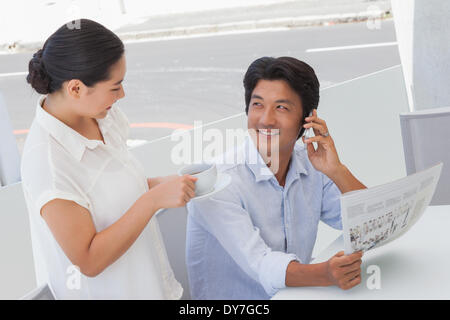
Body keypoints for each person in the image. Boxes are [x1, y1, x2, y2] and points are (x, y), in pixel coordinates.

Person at [20, 19, 197, 299]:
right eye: (115, 87)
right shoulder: (48, 161)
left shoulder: (101, 115)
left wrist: (160, 186)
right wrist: (152, 201)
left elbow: (106, 192)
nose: (122, 95)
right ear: (76, 88)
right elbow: (89, 259)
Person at [186, 56, 366, 299]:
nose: (265, 119)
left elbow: (365, 222)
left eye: (281, 107)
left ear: (306, 119)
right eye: (257, 105)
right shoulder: (218, 182)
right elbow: (260, 262)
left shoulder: (309, 162)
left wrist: (337, 170)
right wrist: (324, 274)